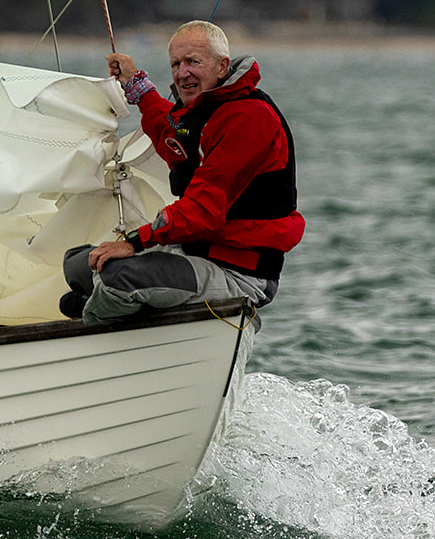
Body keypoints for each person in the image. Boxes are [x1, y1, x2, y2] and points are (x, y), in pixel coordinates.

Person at [61, 20, 304, 325]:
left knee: (115, 277)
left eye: (193, 62)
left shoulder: (248, 117)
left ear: (222, 66)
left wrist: (134, 242)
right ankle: (107, 303)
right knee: (77, 263)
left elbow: (203, 209)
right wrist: (137, 86)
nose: (182, 72)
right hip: (196, 253)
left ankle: (92, 325)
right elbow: (172, 136)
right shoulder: (209, 109)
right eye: (176, 64)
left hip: (240, 273)